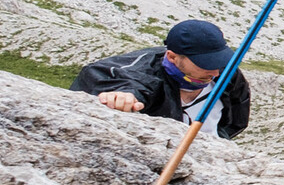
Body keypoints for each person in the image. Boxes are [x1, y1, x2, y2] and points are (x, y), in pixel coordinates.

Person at [71, 19, 252, 140]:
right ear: (172, 57)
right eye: (204, 63)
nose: (215, 72)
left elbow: (236, 120)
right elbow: (130, 81)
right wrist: (124, 96)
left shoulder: (229, 74)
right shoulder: (142, 71)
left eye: (220, 62)